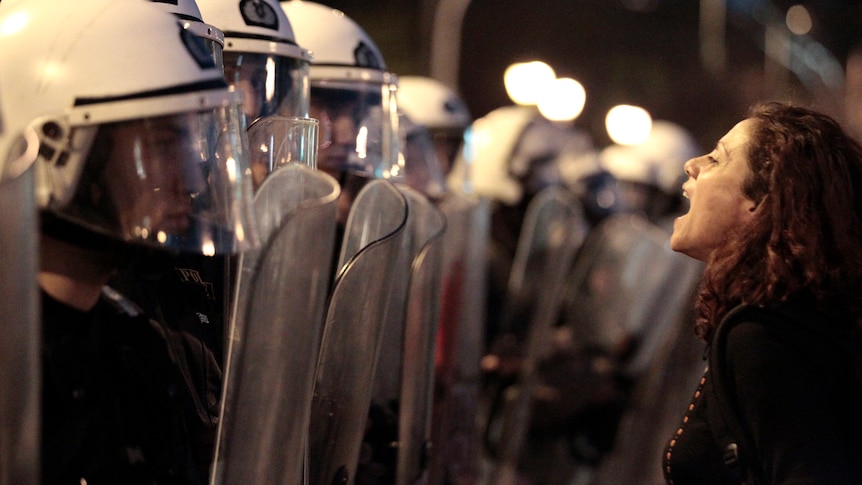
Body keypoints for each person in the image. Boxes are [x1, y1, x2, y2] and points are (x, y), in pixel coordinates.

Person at [0, 0, 257, 482]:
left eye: (191, 141)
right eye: (162, 143)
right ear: (57, 149)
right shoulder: (13, 359)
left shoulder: (142, 346)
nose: (192, 178)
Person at [664, 102, 862, 484]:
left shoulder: (765, 336)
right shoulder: (802, 321)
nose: (693, 164)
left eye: (717, 159)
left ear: (760, 201)